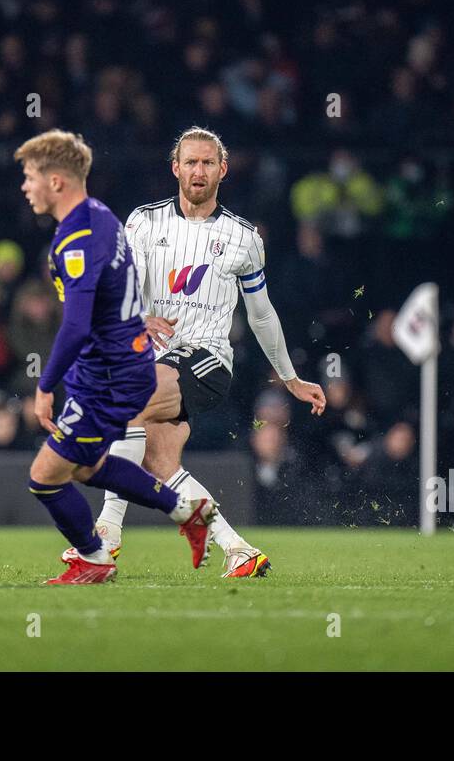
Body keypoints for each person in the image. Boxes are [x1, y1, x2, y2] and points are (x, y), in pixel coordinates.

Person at [93, 127, 326, 577]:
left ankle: (105, 534)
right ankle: (238, 549)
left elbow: (261, 315)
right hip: (153, 359)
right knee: (158, 461)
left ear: (223, 170)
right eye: (190, 162)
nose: (198, 171)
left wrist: (291, 378)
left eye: (207, 163)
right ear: (175, 169)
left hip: (206, 360)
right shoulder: (143, 221)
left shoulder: (243, 238)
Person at [15, 129, 215, 585]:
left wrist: (45, 386)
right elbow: (119, 294)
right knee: (87, 466)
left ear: (57, 181)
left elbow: (77, 323)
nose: (25, 187)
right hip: (119, 368)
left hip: (107, 377)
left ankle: (95, 556)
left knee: (45, 477)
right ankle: (185, 509)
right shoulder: (103, 217)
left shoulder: (78, 239)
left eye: (30, 176)